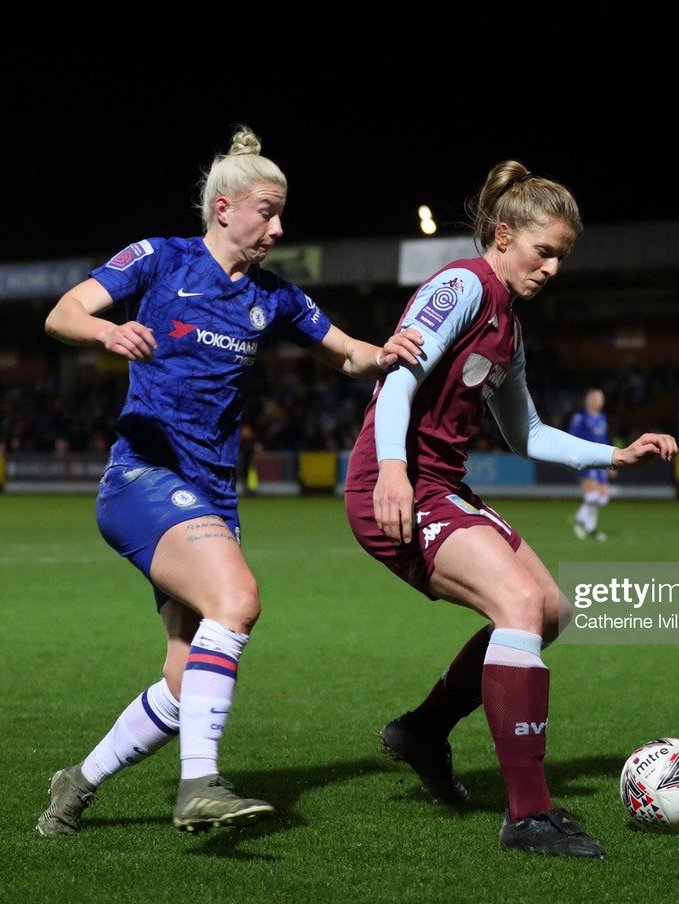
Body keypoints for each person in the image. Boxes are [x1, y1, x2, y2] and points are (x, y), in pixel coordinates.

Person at [35, 125, 422, 838]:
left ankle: (78, 781)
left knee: (188, 677)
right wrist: (107, 334)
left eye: (280, 214)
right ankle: (200, 785)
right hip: (143, 477)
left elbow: (347, 355)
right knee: (239, 599)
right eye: (266, 212)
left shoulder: (274, 296)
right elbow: (63, 312)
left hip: (213, 497)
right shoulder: (158, 258)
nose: (278, 227)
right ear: (223, 208)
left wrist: (387, 352)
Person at [344, 161, 677, 859]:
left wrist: (615, 455)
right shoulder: (464, 285)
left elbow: (525, 434)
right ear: (502, 236)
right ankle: (528, 814)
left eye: (562, 256)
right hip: (394, 485)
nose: (553, 267)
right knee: (519, 604)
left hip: (441, 487)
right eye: (544, 250)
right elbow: (398, 380)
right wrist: (396, 471)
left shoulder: (510, 329)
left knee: (550, 611)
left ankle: (425, 730)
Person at [568, 387, 611, 540]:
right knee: (592, 495)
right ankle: (591, 529)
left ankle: (579, 520)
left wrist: (610, 462)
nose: (602, 401)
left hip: (601, 461)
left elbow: (604, 440)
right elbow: (571, 437)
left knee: (603, 498)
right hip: (587, 461)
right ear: (590, 400)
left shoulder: (602, 418)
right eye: (599, 398)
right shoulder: (580, 417)